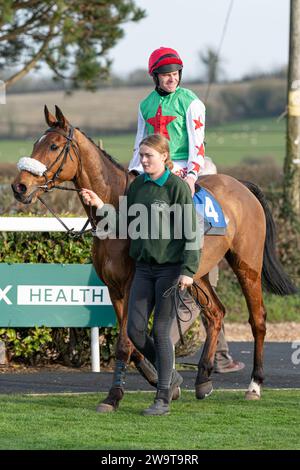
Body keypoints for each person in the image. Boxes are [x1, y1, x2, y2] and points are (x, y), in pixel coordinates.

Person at [128, 47, 244, 374]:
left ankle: (198, 254)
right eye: (166, 73)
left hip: (184, 166)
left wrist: (190, 174)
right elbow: (140, 143)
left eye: (176, 72)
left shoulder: (191, 101)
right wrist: (133, 172)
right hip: (152, 166)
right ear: (155, 76)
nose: (172, 77)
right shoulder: (145, 105)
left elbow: (197, 144)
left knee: (185, 204)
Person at [81, 134, 200, 416]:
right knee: (134, 330)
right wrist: (100, 206)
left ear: (164, 157)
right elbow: (125, 223)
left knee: (160, 331)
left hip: (170, 271)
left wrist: (188, 271)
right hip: (144, 269)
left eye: (149, 156)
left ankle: (163, 398)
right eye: (142, 155)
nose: (144, 160)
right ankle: (169, 373)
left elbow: (192, 233)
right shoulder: (138, 188)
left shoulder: (176, 188)